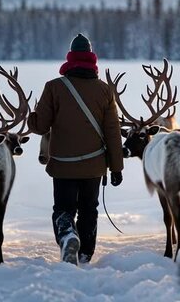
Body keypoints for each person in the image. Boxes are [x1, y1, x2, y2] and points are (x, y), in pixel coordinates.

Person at [28, 33, 124, 265]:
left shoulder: (53, 88)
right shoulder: (104, 91)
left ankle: (68, 236)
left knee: (63, 207)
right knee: (89, 209)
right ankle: (85, 254)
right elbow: (113, 131)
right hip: (94, 165)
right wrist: (116, 168)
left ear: (70, 58)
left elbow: (40, 127)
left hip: (63, 165)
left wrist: (31, 117)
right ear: (92, 58)